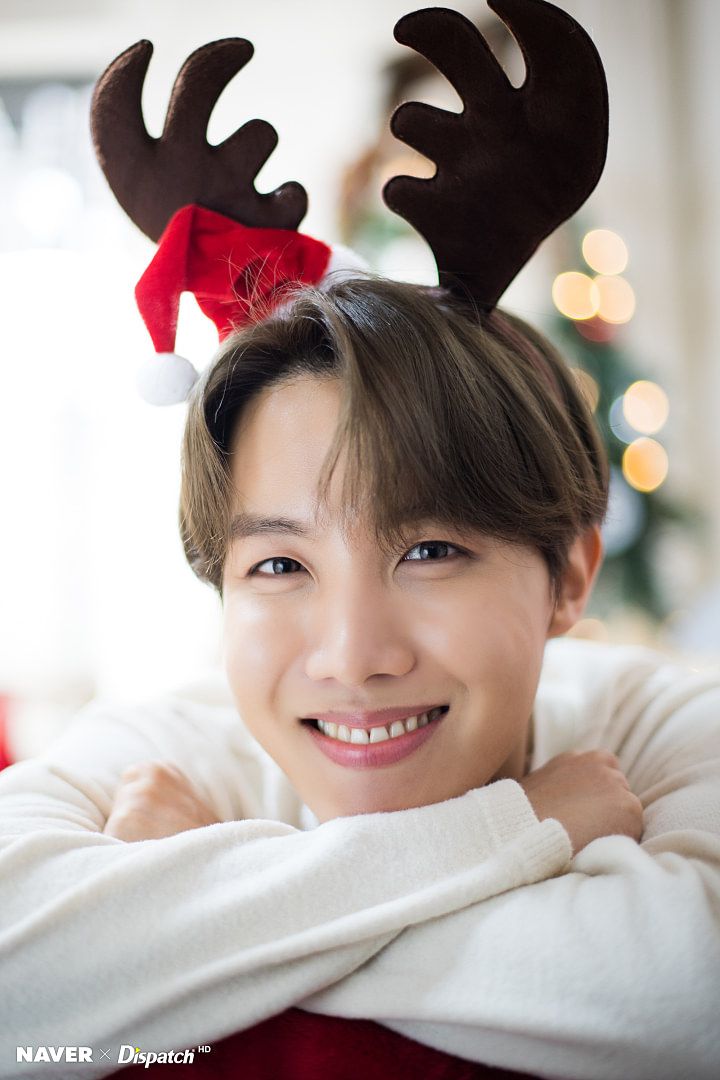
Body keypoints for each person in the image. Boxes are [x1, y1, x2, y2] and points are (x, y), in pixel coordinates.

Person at [2, 3, 719, 1079]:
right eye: (280, 565)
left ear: (571, 572)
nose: (353, 653)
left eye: (429, 550)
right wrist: (523, 826)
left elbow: (686, 993)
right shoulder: (162, 748)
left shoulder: (666, 722)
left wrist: (183, 906)